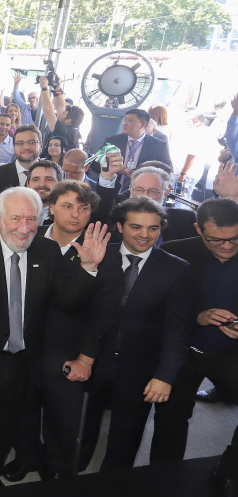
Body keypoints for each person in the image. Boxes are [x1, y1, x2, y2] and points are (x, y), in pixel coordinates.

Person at [0, 187, 109, 492]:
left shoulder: (46, 252)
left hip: (22, 361)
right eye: (16, 218)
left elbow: (67, 302)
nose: (24, 228)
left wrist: (88, 268)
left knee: (4, 426)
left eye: (32, 219)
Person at [2, 181, 121, 480]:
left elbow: (104, 314)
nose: (75, 214)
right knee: (23, 410)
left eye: (84, 208)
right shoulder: (28, 236)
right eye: (67, 206)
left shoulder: (102, 252)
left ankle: (56, 470)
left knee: (62, 419)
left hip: (69, 351)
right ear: (50, 207)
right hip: (24, 346)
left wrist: (86, 358)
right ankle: (26, 456)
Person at [76, 197, 193, 471]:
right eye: (136, 227)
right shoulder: (96, 254)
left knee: (125, 438)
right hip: (90, 360)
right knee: (80, 427)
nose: (144, 235)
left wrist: (164, 376)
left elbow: (178, 330)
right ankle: (71, 474)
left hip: (140, 368)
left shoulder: (177, 269)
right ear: (120, 226)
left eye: (153, 228)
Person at [150, 198, 238, 463]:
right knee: (170, 423)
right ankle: (163, 479)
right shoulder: (175, 252)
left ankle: (230, 471)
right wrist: (197, 317)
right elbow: (156, 308)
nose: (226, 246)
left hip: (231, 356)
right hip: (182, 353)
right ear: (199, 230)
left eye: (234, 239)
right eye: (216, 240)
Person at [97, 109, 173, 192]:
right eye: (125, 120)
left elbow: (167, 171)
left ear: (143, 124)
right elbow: (95, 165)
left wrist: (143, 174)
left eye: (129, 121)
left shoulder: (158, 145)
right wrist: (117, 169)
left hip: (142, 193)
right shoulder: (113, 141)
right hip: (111, 189)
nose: (124, 124)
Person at [0, 124, 44, 198]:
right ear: (14, 147)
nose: (26, 147)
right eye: (20, 143)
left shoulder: (54, 174)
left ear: (41, 146)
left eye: (32, 142)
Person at [26, 160, 62, 225]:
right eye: (36, 179)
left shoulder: (66, 215)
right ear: (28, 184)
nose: (42, 184)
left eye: (49, 179)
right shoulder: (15, 210)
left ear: (60, 184)